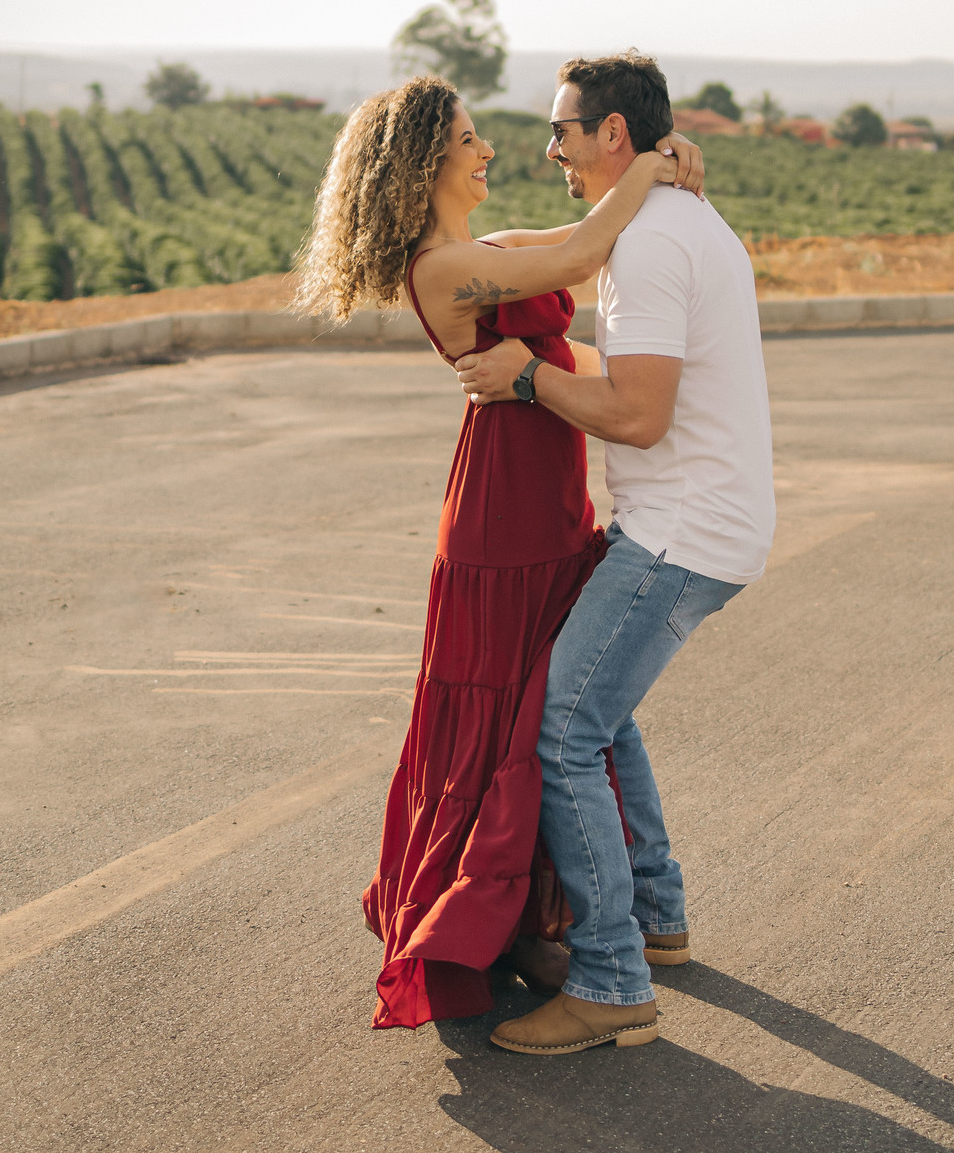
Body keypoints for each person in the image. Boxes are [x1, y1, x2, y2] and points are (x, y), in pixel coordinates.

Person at [294, 76, 704, 1029]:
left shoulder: (493, 251)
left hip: (550, 508)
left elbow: (585, 252)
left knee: (566, 711)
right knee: (515, 720)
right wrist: (652, 165)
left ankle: (585, 918)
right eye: (470, 139)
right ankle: (502, 926)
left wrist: (661, 171)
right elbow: (585, 251)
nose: (487, 152)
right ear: (425, 162)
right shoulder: (440, 269)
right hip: (501, 522)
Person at [455, 52, 776, 1055]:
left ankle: (610, 983)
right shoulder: (674, 222)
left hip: (682, 533)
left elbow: (638, 415)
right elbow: (609, 326)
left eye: (562, 130)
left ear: (612, 135)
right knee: (604, 710)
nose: (549, 148)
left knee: (562, 730)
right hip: (698, 523)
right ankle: (656, 915)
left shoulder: (647, 248)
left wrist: (525, 379)